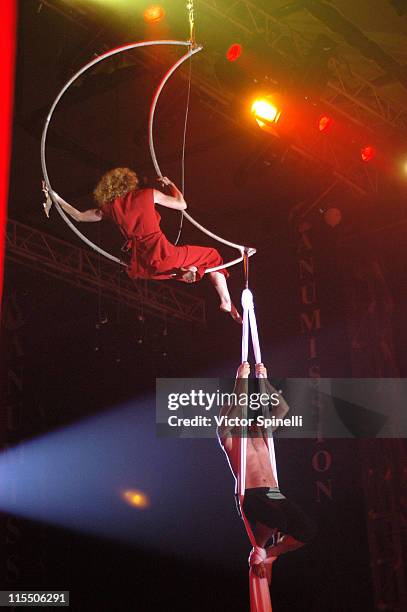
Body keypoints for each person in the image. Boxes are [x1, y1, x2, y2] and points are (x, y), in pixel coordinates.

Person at [49, 168, 241, 323]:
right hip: (165, 254)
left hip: (146, 264)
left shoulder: (111, 208)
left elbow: (79, 216)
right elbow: (182, 205)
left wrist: (55, 196)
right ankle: (223, 298)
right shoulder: (147, 194)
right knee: (212, 256)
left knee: (196, 263)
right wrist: (172, 185)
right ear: (129, 183)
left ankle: (191, 271)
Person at [217, 362, 316, 580]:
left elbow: (282, 408)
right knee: (276, 519)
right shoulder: (229, 438)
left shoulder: (261, 432)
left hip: (273, 491)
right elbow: (235, 406)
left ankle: (267, 554)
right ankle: (258, 548)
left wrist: (264, 381)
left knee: (306, 531)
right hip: (250, 493)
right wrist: (240, 380)